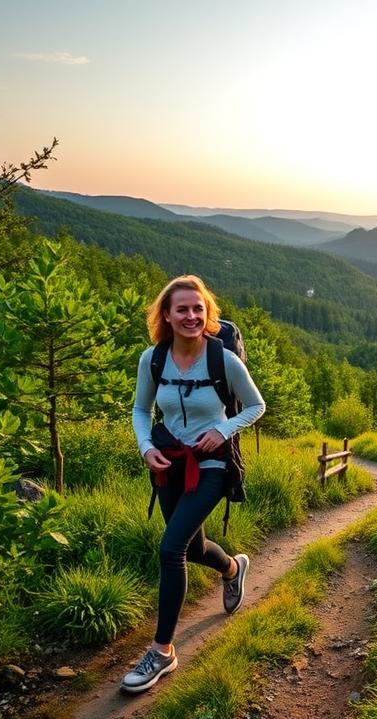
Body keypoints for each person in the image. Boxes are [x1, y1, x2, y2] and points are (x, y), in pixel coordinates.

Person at [123, 275, 265, 693]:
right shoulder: (153, 359)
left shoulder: (224, 361)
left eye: (198, 308)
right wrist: (146, 446)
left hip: (213, 466)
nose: (190, 315)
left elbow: (256, 406)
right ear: (166, 315)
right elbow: (140, 410)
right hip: (169, 462)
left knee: (171, 549)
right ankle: (233, 567)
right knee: (193, 547)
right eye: (181, 309)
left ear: (208, 314)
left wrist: (224, 430)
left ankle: (162, 651)